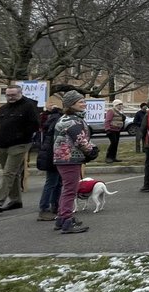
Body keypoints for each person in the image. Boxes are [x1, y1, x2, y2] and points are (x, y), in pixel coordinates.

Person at [0, 84, 40, 215]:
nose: (10, 97)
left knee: (9, 173)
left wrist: (21, 135)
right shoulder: (3, 108)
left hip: (19, 144)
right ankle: (16, 200)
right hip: (2, 145)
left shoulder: (28, 106)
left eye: (13, 95)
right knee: (14, 173)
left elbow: (35, 124)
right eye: (8, 95)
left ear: (20, 93)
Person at [51, 91, 94, 234]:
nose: (84, 103)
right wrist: (91, 150)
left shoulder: (69, 118)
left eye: (83, 101)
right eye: (80, 101)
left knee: (68, 189)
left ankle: (62, 218)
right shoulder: (72, 121)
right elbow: (80, 140)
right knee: (70, 190)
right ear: (71, 105)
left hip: (64, 158)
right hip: (68, 158)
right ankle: (67, 220)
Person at [34, 101, 62, 221]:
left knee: (56, 182)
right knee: (52, 182)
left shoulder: (51, 120)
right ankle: (45, 208)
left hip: (51, 154)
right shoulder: (59, 121)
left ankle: (55, 205)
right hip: (53, 155)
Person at [104, 99, 127, 164]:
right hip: (111, 130)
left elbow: (121, 120)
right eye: (119, 104)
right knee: (113, 143)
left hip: (117, 130)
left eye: (121, 104)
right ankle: (108, 157)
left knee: (116, 144)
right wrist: (107, 129)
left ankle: (113, 157)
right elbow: (107, 120)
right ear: (115, 105)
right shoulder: (111, 111)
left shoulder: (120, 112)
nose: (120, 106)